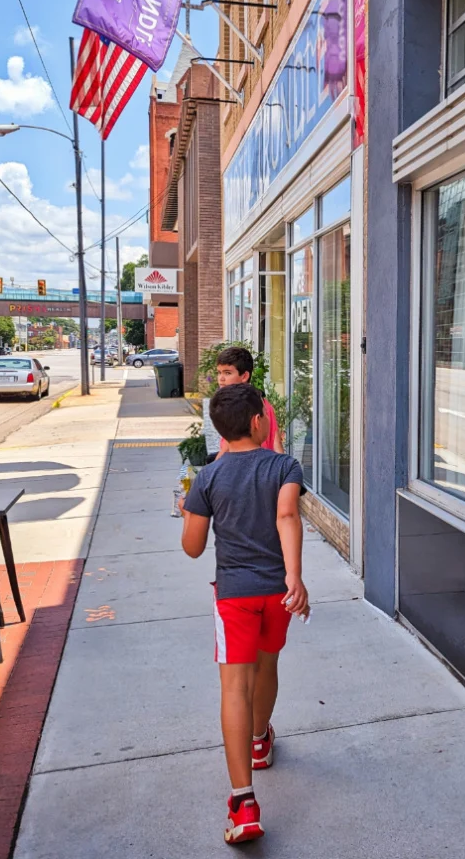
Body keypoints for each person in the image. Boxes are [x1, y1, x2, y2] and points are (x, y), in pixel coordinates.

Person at [181, 383, 310, 844]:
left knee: (235, 685)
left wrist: (189, 511)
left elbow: (193, 548)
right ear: (260, 421)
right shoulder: (285, 466)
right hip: (278, 593)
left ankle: (243, 803)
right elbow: (287, 517)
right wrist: (294, 577)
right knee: (268, 664)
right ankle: (260, 740)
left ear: (220, 430)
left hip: (234, 595)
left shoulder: (208, 478)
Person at [213, 346, 285, 458]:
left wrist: (212, 471)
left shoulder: (236, 407)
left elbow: (228, 448)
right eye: (219, 372)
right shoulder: (264, 403)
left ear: (245, 376)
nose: (221, 378)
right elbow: (277, 444)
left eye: (227, 373)